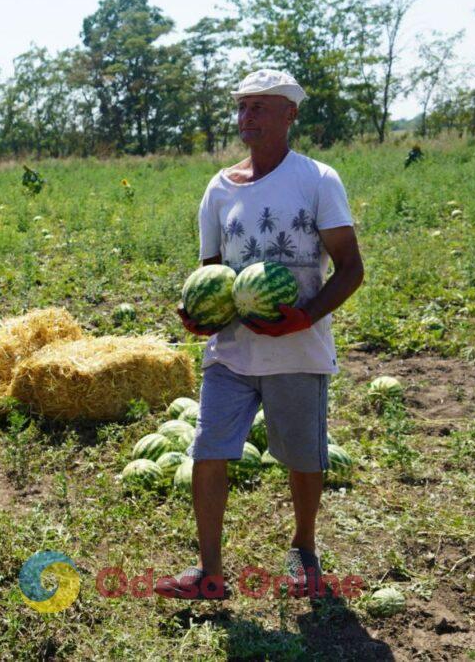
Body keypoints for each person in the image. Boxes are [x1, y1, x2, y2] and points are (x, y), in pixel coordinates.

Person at [172, 69, 365, 600]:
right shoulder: (218, 188)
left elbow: (350, 268)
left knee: (303, 457)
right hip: (231, 352)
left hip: (298, 350)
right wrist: (198, 314)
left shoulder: (318, 180)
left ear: (290, 115)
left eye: (260, 107)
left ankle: (304, 549)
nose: (247, 118)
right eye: (242, 107)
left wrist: (306, 316)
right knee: (208, 450)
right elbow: (210, 272)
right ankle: (210, 572)